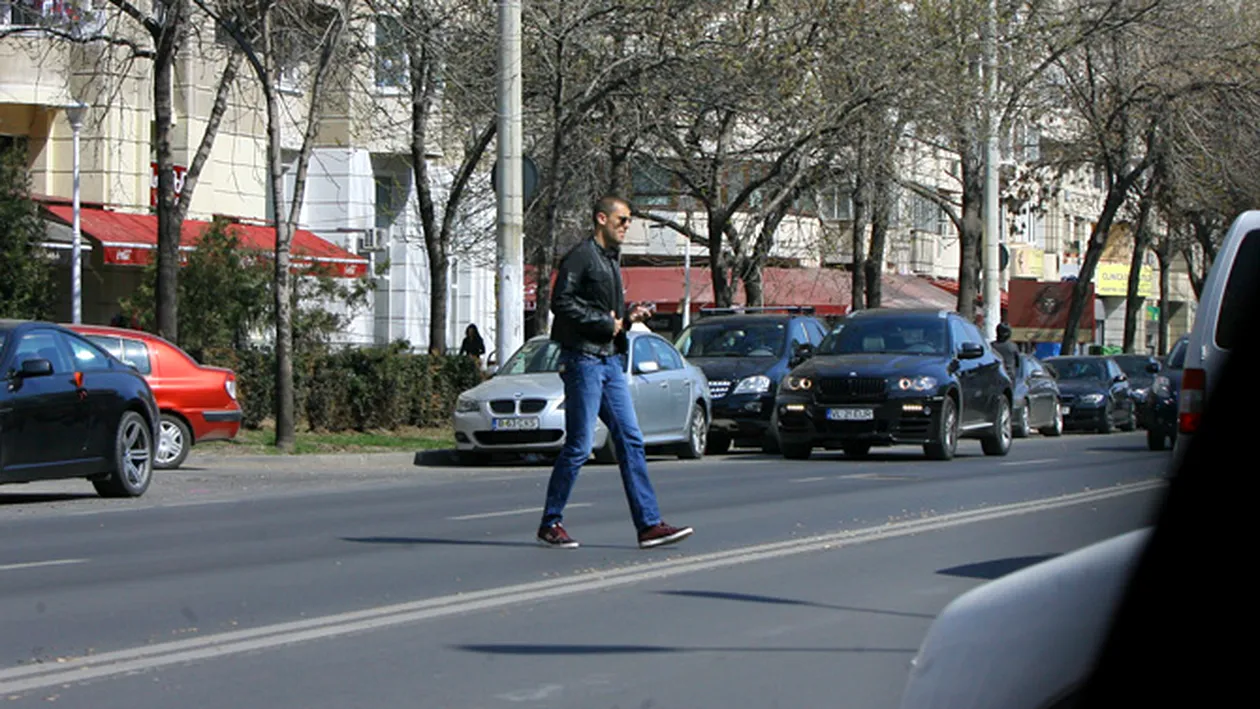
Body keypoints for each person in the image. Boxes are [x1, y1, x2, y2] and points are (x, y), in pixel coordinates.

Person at [537, 195, 693, 550]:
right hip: (584, 360)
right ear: (601, 219)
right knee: (579, 445)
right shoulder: (581, 255)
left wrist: (628, 316)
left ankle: (649, 525)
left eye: (629, 220)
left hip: (608, 360)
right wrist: (604, 323)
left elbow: (607, 314)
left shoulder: (609, 259)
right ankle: (551, 522)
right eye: (622, 219)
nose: (627, 225)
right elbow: (561, 303)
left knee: (631, 439)